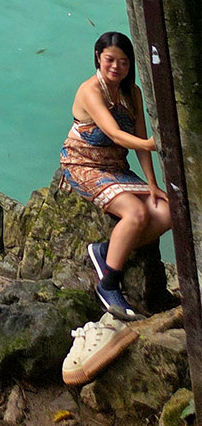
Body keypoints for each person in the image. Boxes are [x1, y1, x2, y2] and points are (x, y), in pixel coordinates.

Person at [60, 31, 171, 320]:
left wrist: (152, 183)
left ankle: (106, 250)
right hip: (83, 165)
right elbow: (114, 133)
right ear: (98, 58)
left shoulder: (131, 92)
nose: (116, 67)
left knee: (167, 211)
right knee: (135, 214)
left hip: (117, 169)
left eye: (123, 61)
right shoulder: (90, 91)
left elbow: (141, 139)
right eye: (110, 60)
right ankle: (108, 282)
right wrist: (148, 144)